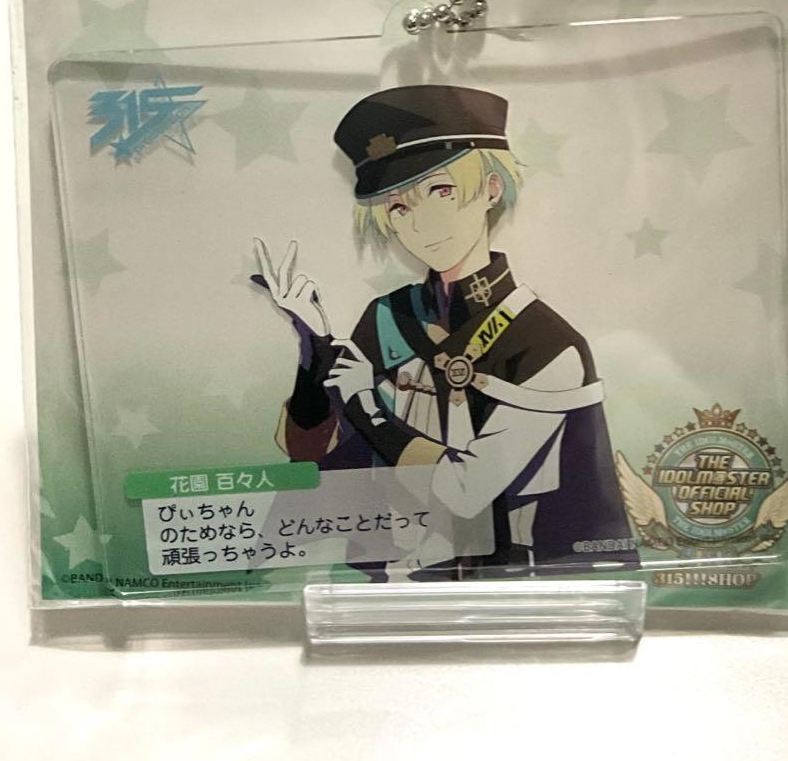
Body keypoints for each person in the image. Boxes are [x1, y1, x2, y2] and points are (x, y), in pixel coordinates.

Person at [253, 84, 638, 577]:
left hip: (516, 588)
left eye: (440, 191)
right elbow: (308, 451)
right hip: (391, 583)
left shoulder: (545, 342)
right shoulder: (389, 316)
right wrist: (313, 345)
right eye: (398, 207)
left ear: (491, 190)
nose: (419, 223)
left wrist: (367, 406)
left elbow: (464, 490)